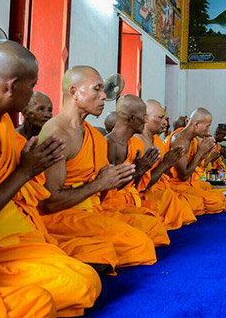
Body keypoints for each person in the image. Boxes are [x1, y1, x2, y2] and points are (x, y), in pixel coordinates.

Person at [0, 41, 100, 317]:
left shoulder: (3, 126)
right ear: (12, 86)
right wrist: (25, 172)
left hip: (14, 236)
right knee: (39, 303)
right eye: (31, 86)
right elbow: (49, 199)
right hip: (4, 239)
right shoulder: (54, 131)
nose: (34, 95)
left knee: (83, 282)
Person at [38, 66, 157, 268]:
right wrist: (99, 184)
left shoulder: (94, 136)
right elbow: (49, 204)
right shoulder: (57, 134)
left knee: (152, 228)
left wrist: (129, 174)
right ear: (74, 92)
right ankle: (64, 251)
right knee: (139, 244)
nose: (104, 96)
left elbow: (103, 189)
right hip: (61, 216)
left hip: (92, 210)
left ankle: (87, 251)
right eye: (97, 89)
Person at [101, 95, 170, 246]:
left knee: (155, 222)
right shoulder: (109, 144)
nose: (145, 121)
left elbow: (135, 185)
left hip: (130, 200)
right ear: (132, 118)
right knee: (149, 233)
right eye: (143, 116)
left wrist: (140, 170)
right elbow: (104, 189)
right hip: (109, 206)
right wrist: (139, 171)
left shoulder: (132, 143)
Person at [131, 100, 197, 228]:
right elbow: (139, 185)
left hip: (162, 191)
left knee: (190, 205)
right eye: (160, 118)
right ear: (145, 118)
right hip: (142, 196)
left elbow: (165, 175)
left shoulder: (157, 141)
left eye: (165, 118)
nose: (165, 123)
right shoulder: (136, 143)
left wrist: (170, 162)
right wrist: (166, 164)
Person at [165, 108, 226, 212]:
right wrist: (200, 153)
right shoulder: (179, 141)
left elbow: (196, 166)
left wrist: (205, 154)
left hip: (188, 183)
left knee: (218, 196)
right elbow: (183, 176)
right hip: (175, 184)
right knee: (215, 202)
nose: (209, 130)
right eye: (207, 126)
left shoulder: (193, 140)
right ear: (196, 125)